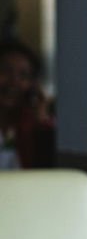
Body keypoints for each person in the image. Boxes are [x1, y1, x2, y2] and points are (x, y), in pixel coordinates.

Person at [0, 39, 55, 169]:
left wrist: (41, 120)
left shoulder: (33, 126)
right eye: (5, 71)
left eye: (23, 75)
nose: (13, 82)